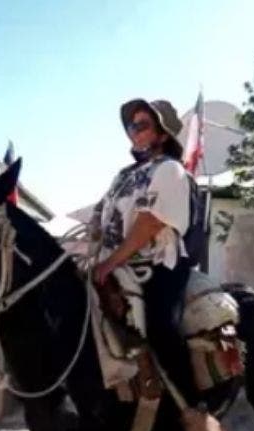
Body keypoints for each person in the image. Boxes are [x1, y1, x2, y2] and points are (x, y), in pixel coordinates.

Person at [90, 98, 200, 410]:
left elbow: (149, 222)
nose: (133, 131)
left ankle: (194, 408)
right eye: (130, 126)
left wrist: (111, 261)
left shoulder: (170, 170)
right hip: (117, 264)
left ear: (163, 134)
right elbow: (100, 217)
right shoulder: (123, 176)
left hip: (158, 265)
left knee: (161, 328)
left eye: (142, 125)